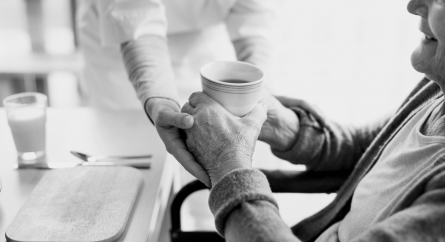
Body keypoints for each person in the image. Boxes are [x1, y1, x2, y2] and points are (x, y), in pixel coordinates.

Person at [181, 0, 445, 241]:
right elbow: (368, 148)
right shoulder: (436, 88)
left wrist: (227, 164)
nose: (414, 5)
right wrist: (286, 126)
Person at [76, 0, 279, 186]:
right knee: (135, 163)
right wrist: (158, 100)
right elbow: (137, 17)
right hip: (122, 38)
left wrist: (255, 87)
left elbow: (254, 17)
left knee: (218, 156)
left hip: (205, 37)